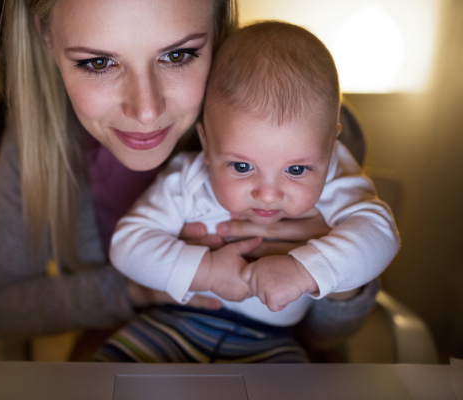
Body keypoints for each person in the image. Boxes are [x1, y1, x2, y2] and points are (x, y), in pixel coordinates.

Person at [0, 0, 380, 359]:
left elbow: (330, 335)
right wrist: (140, 289)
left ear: (218, 26)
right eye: (98, 62)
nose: (146, 110)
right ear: (45, 35)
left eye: (178, 55)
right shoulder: (39, 140)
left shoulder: (304, 133)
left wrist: (322, 268)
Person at [96, 21, 399, 363]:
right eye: (241, 167)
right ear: (207, 145)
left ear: (331, 147)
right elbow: (128, 244)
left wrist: (305, 271)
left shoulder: (333, 175)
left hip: (271, 344)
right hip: (169, 325)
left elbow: (381, 233)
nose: (268, 194)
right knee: (108, 373)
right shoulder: (188, 176)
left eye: (296, 170)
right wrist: (206, 272)